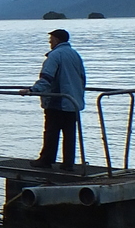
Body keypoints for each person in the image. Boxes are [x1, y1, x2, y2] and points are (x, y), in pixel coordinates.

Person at [19, 29, 86, 171]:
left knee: (51, 132)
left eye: (51, 39)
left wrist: (31, 91)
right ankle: (68, 163)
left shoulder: (55, 56)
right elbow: (82, 77)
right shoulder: (75, 55)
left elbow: (47, 78)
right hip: (73, 101)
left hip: (58, 100)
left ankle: (46, 160)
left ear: (57, 40)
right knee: (69, 133)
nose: (49, 42)